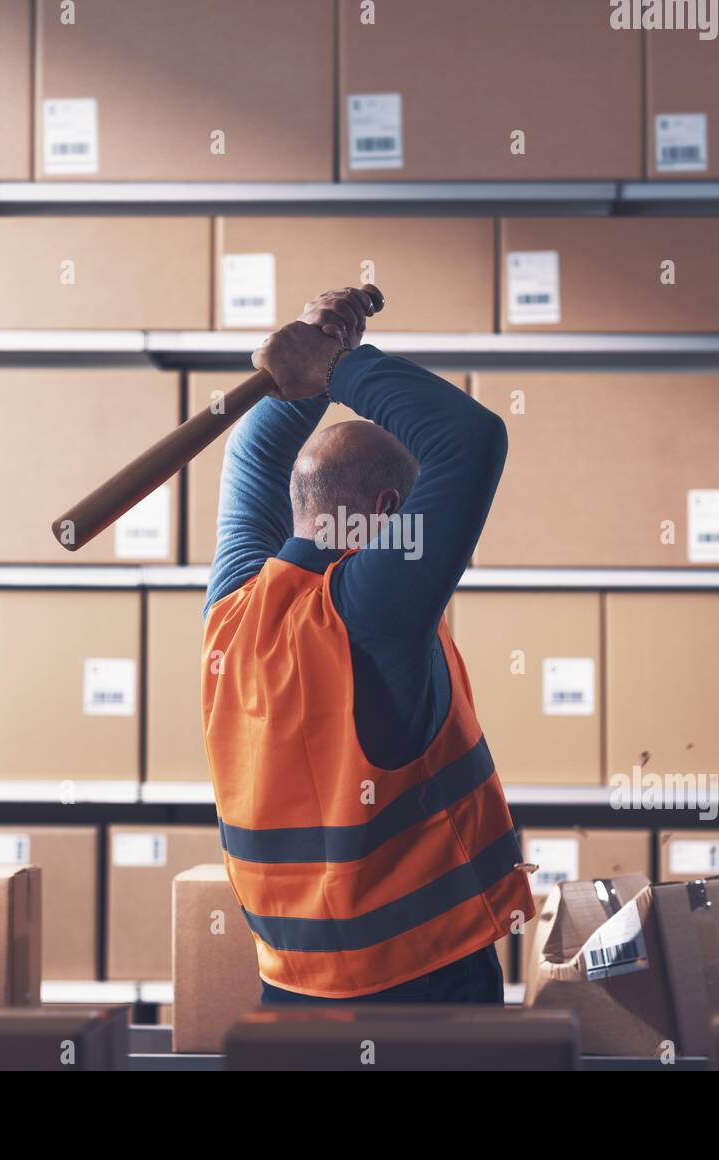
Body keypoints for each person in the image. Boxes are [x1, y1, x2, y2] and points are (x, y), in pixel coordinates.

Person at [202, 284, 534, 1003]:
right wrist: (341, 369)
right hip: (419, 999)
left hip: (290, 996)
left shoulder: (230, 612)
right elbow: (472, 440)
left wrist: (318, 351)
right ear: (387, 514)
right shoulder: (371, 612)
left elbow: (253, 460)